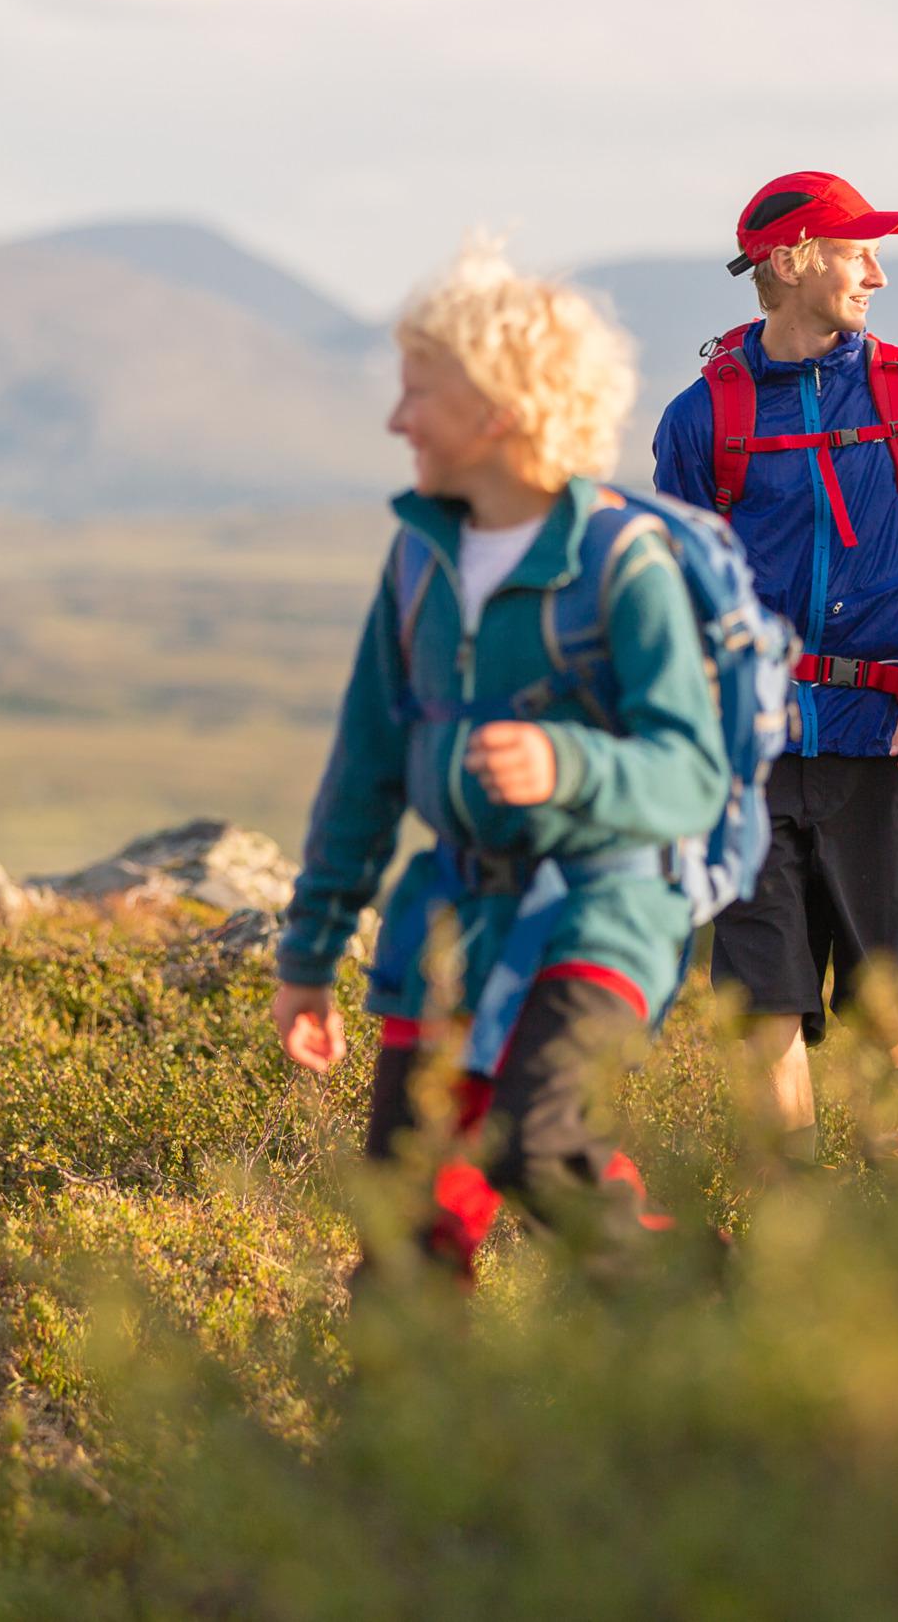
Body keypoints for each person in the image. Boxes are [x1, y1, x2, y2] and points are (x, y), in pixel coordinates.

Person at [272, 240, 730, 1282]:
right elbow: (366, 766)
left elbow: (689, 775)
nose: (395, 422)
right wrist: (309, 952)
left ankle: (698, 1302)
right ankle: (402, 1439)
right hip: (450, 917)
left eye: (415, 395)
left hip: (604, 912)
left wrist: (569, 766)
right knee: (406, 1225)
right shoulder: (418, 560)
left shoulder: (624, 567)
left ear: (500, 408)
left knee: (535, 1151)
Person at [653, 172, 898, 1158]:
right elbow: (670, 608)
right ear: (788, 261)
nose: (877, 273)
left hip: (876, 744)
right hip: (744, 758)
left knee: (882, 1006)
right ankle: (795, 1235)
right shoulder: (699, 422)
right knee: (762, 999)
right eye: (857, 250)